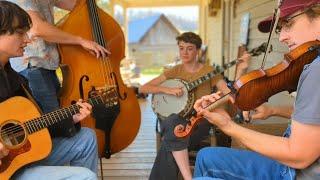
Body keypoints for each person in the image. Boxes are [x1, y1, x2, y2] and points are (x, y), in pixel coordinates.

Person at [193, 0, 320, 179]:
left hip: (294, 172)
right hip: (291, 166)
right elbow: (313, 118)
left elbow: (299, 156)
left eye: (289, 24)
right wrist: (272, 110)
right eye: (280, 28)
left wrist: (228, 126)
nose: (282, 37)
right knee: (206, 156)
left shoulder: (316, 69)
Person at [0, 1, 98, 179]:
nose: (28, 40)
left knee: (86, 138)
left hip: (20, 159)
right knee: (85, 176)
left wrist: (70, 118)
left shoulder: (16, 79)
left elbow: (33, 126)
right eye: (20, 33)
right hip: (6, 172)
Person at [139, 32, 249, 180]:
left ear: (198, 50)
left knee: (170, 139)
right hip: (176, 119)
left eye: (189, 48)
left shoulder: (209, 71)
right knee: (172, 122)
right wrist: (168, 90)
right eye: (181, 48)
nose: (184, 52)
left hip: (199, 121)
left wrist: (241, 71)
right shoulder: (174, 71)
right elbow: (144, 88)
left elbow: (229, 93)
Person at [8, 0, 110, 114]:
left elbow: (77, 5)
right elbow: (38, 28)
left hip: (46, 66)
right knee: (53, 122)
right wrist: (81, 41)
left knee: (58, 118)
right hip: (33, 66)